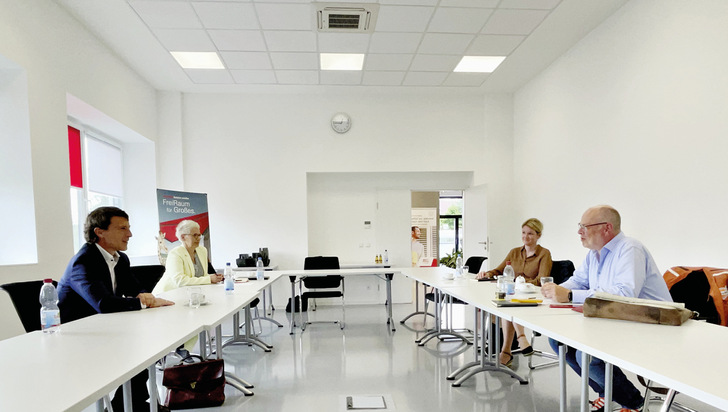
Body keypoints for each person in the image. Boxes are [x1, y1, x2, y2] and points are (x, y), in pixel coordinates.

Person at [542, 205, 672, 412]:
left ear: (606, 228)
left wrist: (568, 296)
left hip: (651, 323)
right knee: (557, 341)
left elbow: (625, 294)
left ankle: (633, 403)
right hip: (618, 320)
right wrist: (554, 289)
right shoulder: (594, 253)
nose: (579, 232)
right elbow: (579, 281)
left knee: (587, 355)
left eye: (584, 227)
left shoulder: (630, 249)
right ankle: (607, 393)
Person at [58, 206, 174, 412]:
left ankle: (130, 404)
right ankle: (130, 405)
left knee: (148, 342)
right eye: (122, 228)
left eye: (128, 228)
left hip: (104, 327)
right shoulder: (83, 261)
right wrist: (145, 302)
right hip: (77, 336)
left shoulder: (120, 258)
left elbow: (135, 289)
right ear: (99, 232)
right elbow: (103, 303)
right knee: (138, 346)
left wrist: (146, 297)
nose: (129, 234)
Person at [477, 218, 552, 367]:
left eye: (530, 233)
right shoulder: (514, 252)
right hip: (514, 297)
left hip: (532, 297)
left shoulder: (544, 254)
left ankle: (509, 348)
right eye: (523, 232)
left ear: (539, 235)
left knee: (508, 304)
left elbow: (540, 280)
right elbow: (499, 270)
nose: (525, 236)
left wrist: (520, 283)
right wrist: (486, 273)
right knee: (506, 303)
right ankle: (517, 341)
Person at [152, 220, 223, 295]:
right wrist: (209, 279)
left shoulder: (202, 251)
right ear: (183, 237)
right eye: (195, 235)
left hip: (189, 295)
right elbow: (180, 281)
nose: (199, 238)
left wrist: (213, 277)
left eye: (199, 235)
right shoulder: (175, 254)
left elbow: (200, 276)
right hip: (167, 296)